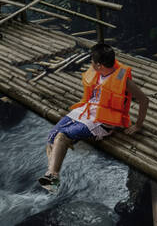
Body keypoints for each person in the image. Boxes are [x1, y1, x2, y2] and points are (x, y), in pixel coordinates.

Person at [39, 43, 149, 190]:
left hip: (103, 121)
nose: (90, 63)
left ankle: (52, 176)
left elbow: (144, 100)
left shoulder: (124, 80)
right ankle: (52, 176)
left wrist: (138, 125)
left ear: (99, 65)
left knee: (61, 137)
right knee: (51, 137)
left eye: (92, 61)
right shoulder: (98, 72)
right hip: (85, 112)